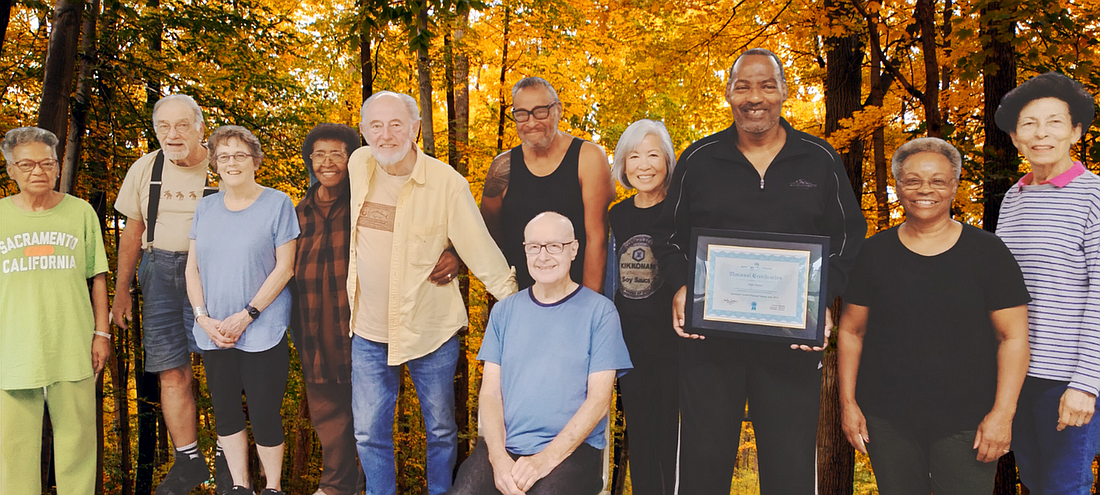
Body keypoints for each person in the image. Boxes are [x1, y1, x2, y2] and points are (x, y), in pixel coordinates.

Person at [651, 48, 868, 493]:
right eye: (744, 86)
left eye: (767, 85)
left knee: (789, 471)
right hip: (709, 342)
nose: (756, 97)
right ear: (728, 93)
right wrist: (679, 285)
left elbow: (850, 237)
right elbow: (668, 237)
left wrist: (823, 295)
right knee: (700, 468)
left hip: (790, 345)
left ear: (784, 92)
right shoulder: (699, 159)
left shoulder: (819, 159)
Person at [836, 137, 1031, 494]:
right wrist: (848, 405)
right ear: (898, 186)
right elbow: (851, 332)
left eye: (938, 180)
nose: (925, 189)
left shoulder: (988, 252)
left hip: (969, 423)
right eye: (912, 180)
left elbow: (1014, 337)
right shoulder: (873, 253)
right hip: (887, 420)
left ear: (954, 185)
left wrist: (1003, 415)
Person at [347, 91, 518, 495]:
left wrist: (520, 313)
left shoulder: (447, 184)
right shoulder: (359, 165)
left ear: (415, 129)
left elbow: (482, 251)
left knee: (441, 429)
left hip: (430, 331)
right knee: (369, 432)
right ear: (363, 132)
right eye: (375, 126)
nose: (386, 135)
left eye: (395, 125)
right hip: (368, 332)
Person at [449, 212, 633, 495]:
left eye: (554, 246)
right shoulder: (504, 312)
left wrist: (545, 460)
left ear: (573, 249)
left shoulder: (601, 312)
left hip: (572, 452)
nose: (543, 256)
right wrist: (498, 459)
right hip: (506, 447)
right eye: (534, 246)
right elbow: (490, 394)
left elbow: (599, 399)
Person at [994, 71, 1100, 494]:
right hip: (1019, 376)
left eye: (1055, 122)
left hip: (1068, 380)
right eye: (1030, 124)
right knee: (1036, 485)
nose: (1042, 134)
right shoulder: (1013, 199)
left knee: (1064, 488)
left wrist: (1085, 385)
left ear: (1075, 130)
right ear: (1017, 137)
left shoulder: (1094, 196)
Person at [111, 94, 223, 493]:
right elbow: (132, 232)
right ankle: (189, 460)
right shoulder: (145, 168)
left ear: (200, 128)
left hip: (214, 275)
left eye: (182, 125)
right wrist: (121, 291)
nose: (172, 135)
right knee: (170, 369)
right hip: (158, 272)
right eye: (164, 127)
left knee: (222, 367)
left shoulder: (224, 165)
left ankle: (229, 457)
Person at [184, 125, 299, 495]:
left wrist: (248, 314)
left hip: (262, 331)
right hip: (215, 332)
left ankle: (273, 487)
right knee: (226, 412)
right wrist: (203, 318)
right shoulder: (205, 207)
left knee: (265, 413)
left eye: (240, 155)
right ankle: (238, 486)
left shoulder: (277, 203)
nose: (231, 162)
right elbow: (192, 268)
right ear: (215, 163)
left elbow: (285, 267)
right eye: (223, 156)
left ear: (255, 161)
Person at [0, 127, 109, 495]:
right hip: (12, 346)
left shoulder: (80, 213)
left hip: (73, 340)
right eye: (27, 164)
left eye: (47, 163)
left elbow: (97, 277)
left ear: (57, 166)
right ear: (11, 170)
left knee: (78, 441)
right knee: (13, 447)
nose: (38, 171)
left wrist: (102, 333)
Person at [479, 76, 614, 291]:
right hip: (519, 298)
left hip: (575, 296)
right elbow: (488, 234)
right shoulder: (502, 168)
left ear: (558, 109)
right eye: (522, 114)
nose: (531, 122)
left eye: (541, 111)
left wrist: (588, 306)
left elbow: (596, 240)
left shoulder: (588, 158)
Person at [290, 123, 365, 495]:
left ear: (353, 159)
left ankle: (370, 483)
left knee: (367, 415)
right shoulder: (297, 212)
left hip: (361, 327)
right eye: (319, 154)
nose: (327, 162)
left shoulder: (365, 205)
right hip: (311, 328)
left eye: (337, 153)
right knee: (327, 414)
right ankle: (336, 486)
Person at [606, 119, 679, 495]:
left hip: (676, 346)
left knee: (672, 442)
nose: (644, 165)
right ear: (623, 164)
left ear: (667, 160)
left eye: (653, 154)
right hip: (630, 344)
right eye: (634, 156)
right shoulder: (616, 215)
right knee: (641, 438)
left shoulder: (681, 212)